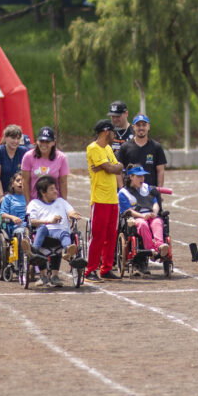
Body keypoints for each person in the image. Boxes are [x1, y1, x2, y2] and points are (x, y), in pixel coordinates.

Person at [27, 175, 82, 287]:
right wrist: (49, 221)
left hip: (59, 233)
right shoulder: (34, 204)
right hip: (43, 234)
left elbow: (70, 210)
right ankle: (34, 252)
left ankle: (68, 251)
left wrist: (72, 214)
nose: (56, 191)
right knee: (42, 229)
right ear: (43, 192)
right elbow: (31, 221)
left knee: (64, 233)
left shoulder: (61, 201)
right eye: (52, 189)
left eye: (55, 188)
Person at [86, 119, 123, 281]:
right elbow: (111, 168)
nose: (114, 134)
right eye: (113, 131)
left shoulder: (107, 148)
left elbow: (118, 167)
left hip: (112, 199)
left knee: (111, 235)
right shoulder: (93, 148)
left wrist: (108, 166)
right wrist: (108, 166)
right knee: (98, 236)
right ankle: (90, 269)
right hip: (100, 199)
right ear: (105, 132)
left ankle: (106, 268)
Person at [119, 164, 170, 272]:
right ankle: (152, 250)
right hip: (136, 218)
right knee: (142, 224)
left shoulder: (148, 188)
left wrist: (155, 212)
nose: (142, 178)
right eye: (139, 176)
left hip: (150, 215)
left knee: (157, 222)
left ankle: (160, 247)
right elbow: (128, 211)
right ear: (131, 177)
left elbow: (155, 203)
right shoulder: (123, 193)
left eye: (143, 176)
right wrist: (143, 216)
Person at [0, 125, 29, 238]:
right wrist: (1, 197)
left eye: (18, 138)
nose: (15, 141)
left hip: (16, 195)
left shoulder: (23, 152)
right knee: (1, 230)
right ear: (6, 138)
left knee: (21, 225)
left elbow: (28, 174)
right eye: (12, 138)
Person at [116, 114, 167, 188]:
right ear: (133, 127)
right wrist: (122, 189)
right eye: (138, 125)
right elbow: (118, 171)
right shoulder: (125, 147)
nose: (141, 128)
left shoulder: (156, 147)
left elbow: (160, 171)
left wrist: (159, 191)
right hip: (131, 193)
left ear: (148, 126)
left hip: (150, 193)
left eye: (144, 125)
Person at [21, 126, 69, 201]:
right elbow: (25, 182)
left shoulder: (61, 158)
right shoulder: (28, 156)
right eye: (41, 141)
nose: (44, 144)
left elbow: (63, 183)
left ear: (53, 142)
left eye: (47, 142)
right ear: (37, 141)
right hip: (35, 202)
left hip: (55, 201)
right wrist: (28, 203)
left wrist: (64, 204)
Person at [0, 172, 28, 236]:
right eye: (18, 180)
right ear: (12, 184)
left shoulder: (30, 197)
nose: (20, 182)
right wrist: (13, 218)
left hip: (31, 224)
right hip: (17, 226)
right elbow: (2, 214)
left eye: (23, 180)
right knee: (21, 232)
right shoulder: (8, 198)